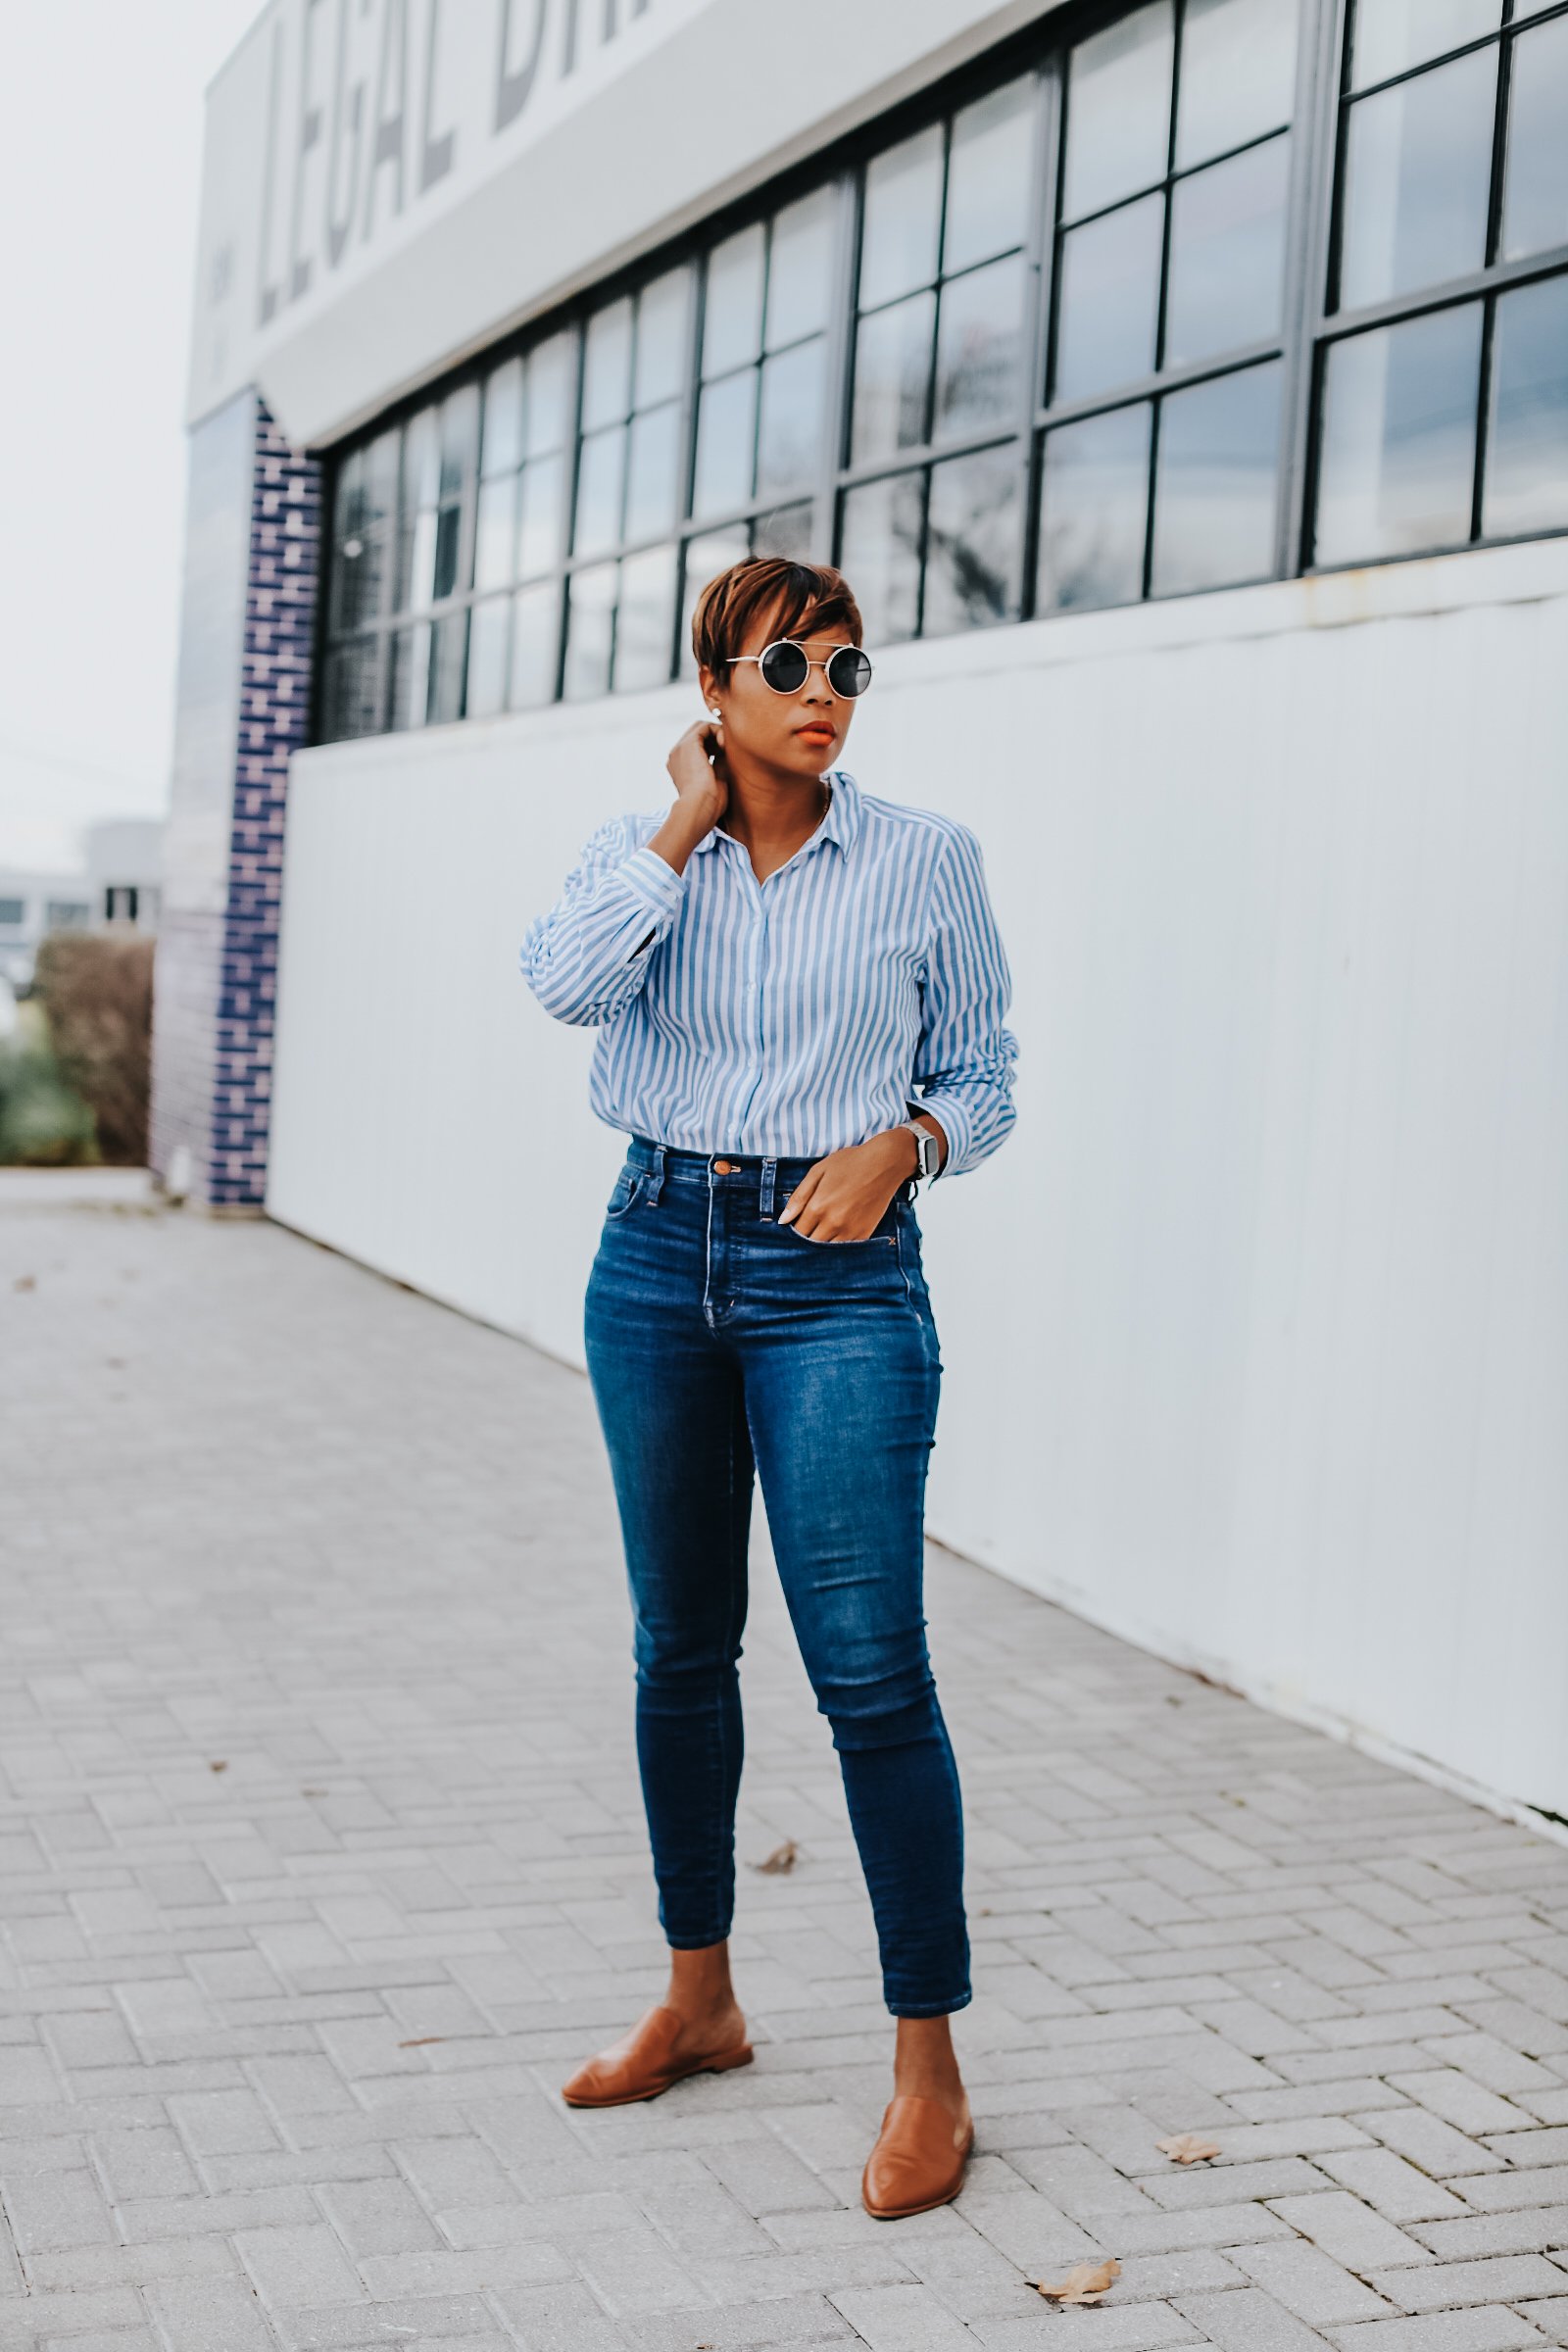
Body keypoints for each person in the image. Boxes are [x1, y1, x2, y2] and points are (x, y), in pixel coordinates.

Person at [519, 555, 1018, 2220]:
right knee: (681, 1651)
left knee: (873, 1675)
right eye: (788, 662)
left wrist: (908, 1143)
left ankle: (929, 2068)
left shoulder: (927, 861)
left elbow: (986, 1073)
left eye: (849, 666)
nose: (826, 688)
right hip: (658, 1249)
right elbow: (563, 985)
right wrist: (677, 825)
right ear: (717, 693)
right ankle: (701, 1995)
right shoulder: (644, 857)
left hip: (841, 1279)